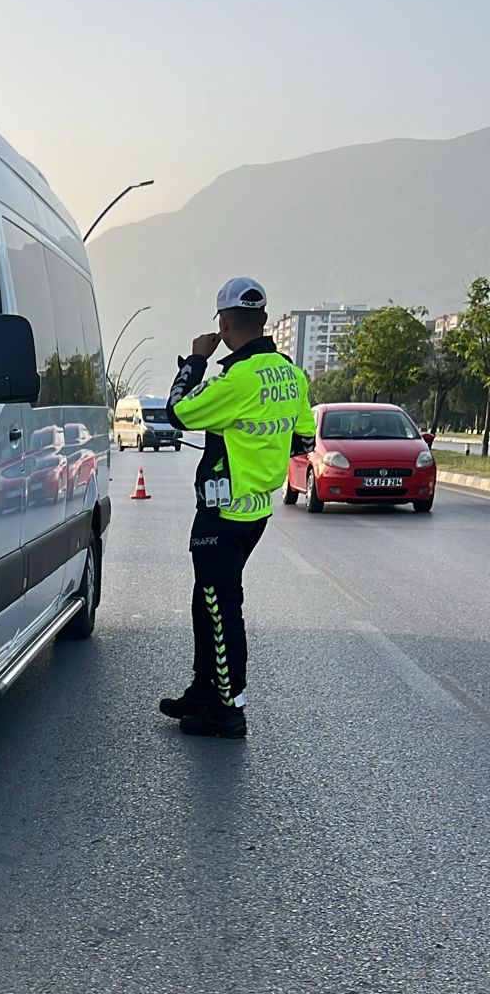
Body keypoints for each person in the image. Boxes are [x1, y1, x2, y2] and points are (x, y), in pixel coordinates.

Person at [159, 278, 315, 739]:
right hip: (256, 511)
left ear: (223, 324)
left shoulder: (238, 378)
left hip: (223, 512)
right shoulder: (290, 372)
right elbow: (304, 437)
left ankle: (229, 708)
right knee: (207, 599)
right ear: (264, 320)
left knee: (221, 605)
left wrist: (195, 361)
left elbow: (178, 412)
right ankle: (204, 690)